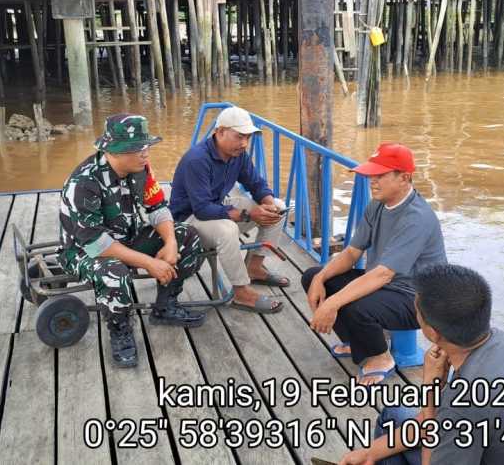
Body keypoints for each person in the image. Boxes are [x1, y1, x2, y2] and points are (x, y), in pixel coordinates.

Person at [340, 264, 504, 465]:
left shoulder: (465, 400)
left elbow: (450, 415)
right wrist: (369, 453)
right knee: (395, 415)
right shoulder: (501, 341)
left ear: (432, 332)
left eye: (416, 307)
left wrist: (431, 390)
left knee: (395, 423)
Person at [59, 114, 205, 368]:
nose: (145, 154)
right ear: (113, 152)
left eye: (145, 146)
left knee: (187, 236)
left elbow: (157, 207)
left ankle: (165, 306)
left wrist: (170, 243)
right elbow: (97, 244)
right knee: (114, 273)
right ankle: (119, 328)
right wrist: (149, 262)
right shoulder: (84, 183)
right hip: (84, 251)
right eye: (137, 149)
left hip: (126, 237)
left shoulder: (141, 169)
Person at [301, 142, 447, 385]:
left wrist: (332, 304)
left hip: (419, 300)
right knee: (314, 276)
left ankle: (380, 357)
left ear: (404, 178)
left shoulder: (417, 217)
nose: (373, 181)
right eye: (371, 175)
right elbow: (351, 253)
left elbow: (382, 275)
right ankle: (356, 342)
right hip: (386, 285)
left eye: (380, 175)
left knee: (355, 303)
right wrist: (319, 279)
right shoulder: (377, 205)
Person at [169, 106, 288, 314]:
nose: (244, 144)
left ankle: (255, 267)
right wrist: (250, 214)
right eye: (239, 137)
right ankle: (241, 292)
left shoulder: (238, 155)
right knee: (227, 230)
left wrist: (267, 204)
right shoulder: (197, 160)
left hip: (215, 207)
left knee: (277, 207)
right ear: (220, 131)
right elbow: (203, 209)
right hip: (187, 221)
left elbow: (256, 184)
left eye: (247, 138)